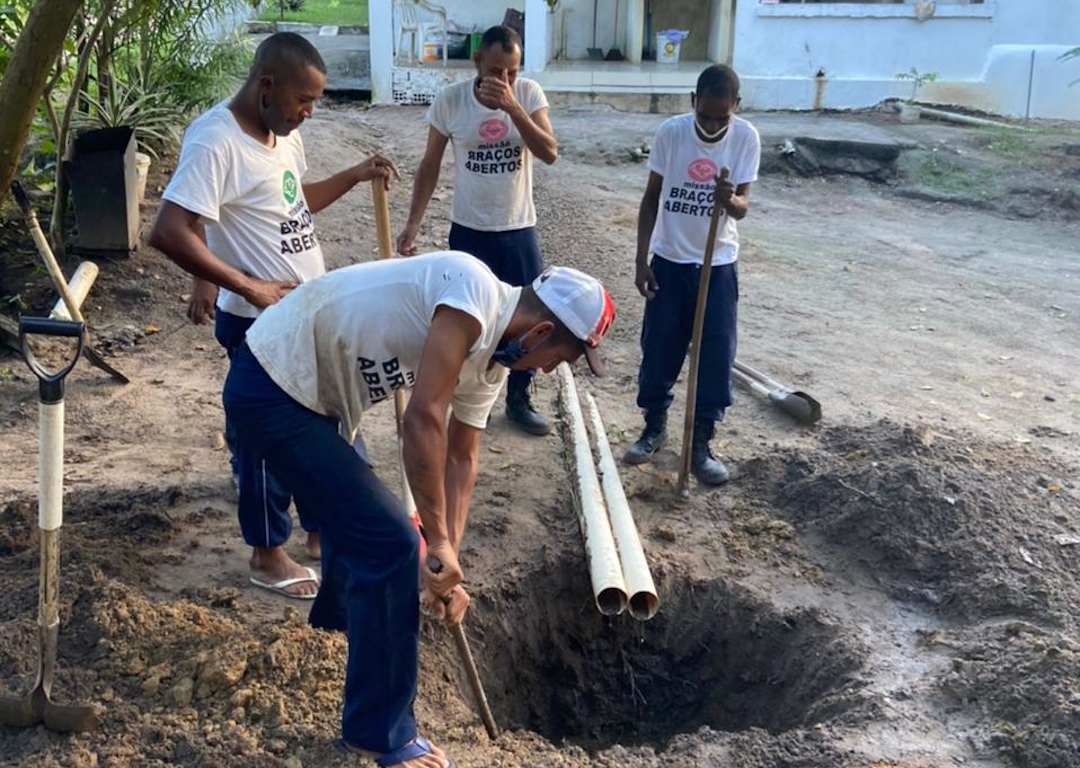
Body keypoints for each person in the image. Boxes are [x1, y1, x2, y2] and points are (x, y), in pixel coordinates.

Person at [220, 252, 613, 766]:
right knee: (390, 543)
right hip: (272, 382)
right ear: (540, 333)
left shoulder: (491, 365)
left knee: (364, 523)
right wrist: (431, 542)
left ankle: (334, 637)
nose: (547, 369)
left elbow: (462, 457)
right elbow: (424, 419)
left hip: (313, 402)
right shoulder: (472, 291)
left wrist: (446, 562)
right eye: (558, 359)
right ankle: (380, 734)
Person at [149, 32, 399, 598]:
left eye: (315, 101)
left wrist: (354, 174)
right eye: (302, 100)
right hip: (257, 324)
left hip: (305, 316)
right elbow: (169, 228)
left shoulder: (282, 134)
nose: (309, 112)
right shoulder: (216, 140)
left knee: (329, 423)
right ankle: (267, 555)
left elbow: (292, 202)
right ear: (266, 87)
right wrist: (244, 285)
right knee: (265, 442)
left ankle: (320, 529)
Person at [396, 25, 559, 437]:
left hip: (518, 228)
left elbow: (549, 152)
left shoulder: (528, 95)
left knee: (527, 320)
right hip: (469, 231)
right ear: (477, 63)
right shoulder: (450, 101)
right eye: (496, 71)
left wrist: (513, 108)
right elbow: (430, 165)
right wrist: (413, 224)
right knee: (467, 319)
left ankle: (519, 398)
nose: (504, 80)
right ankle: (466, 401)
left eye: (512, 72)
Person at [623, 64, 761, 486]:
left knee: (716, 353)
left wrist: (730, 200)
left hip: (717, 264)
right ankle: (654, 427)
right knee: (660, 346)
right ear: (693, 102)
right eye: (705, 116)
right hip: (670, 259)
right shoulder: (672, 133)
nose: (713, 126)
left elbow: (744, 207)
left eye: (722, 118)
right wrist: (641, 259)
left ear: (736, 106)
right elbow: (651, 198)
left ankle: (701, 442)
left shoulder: (746, 138)